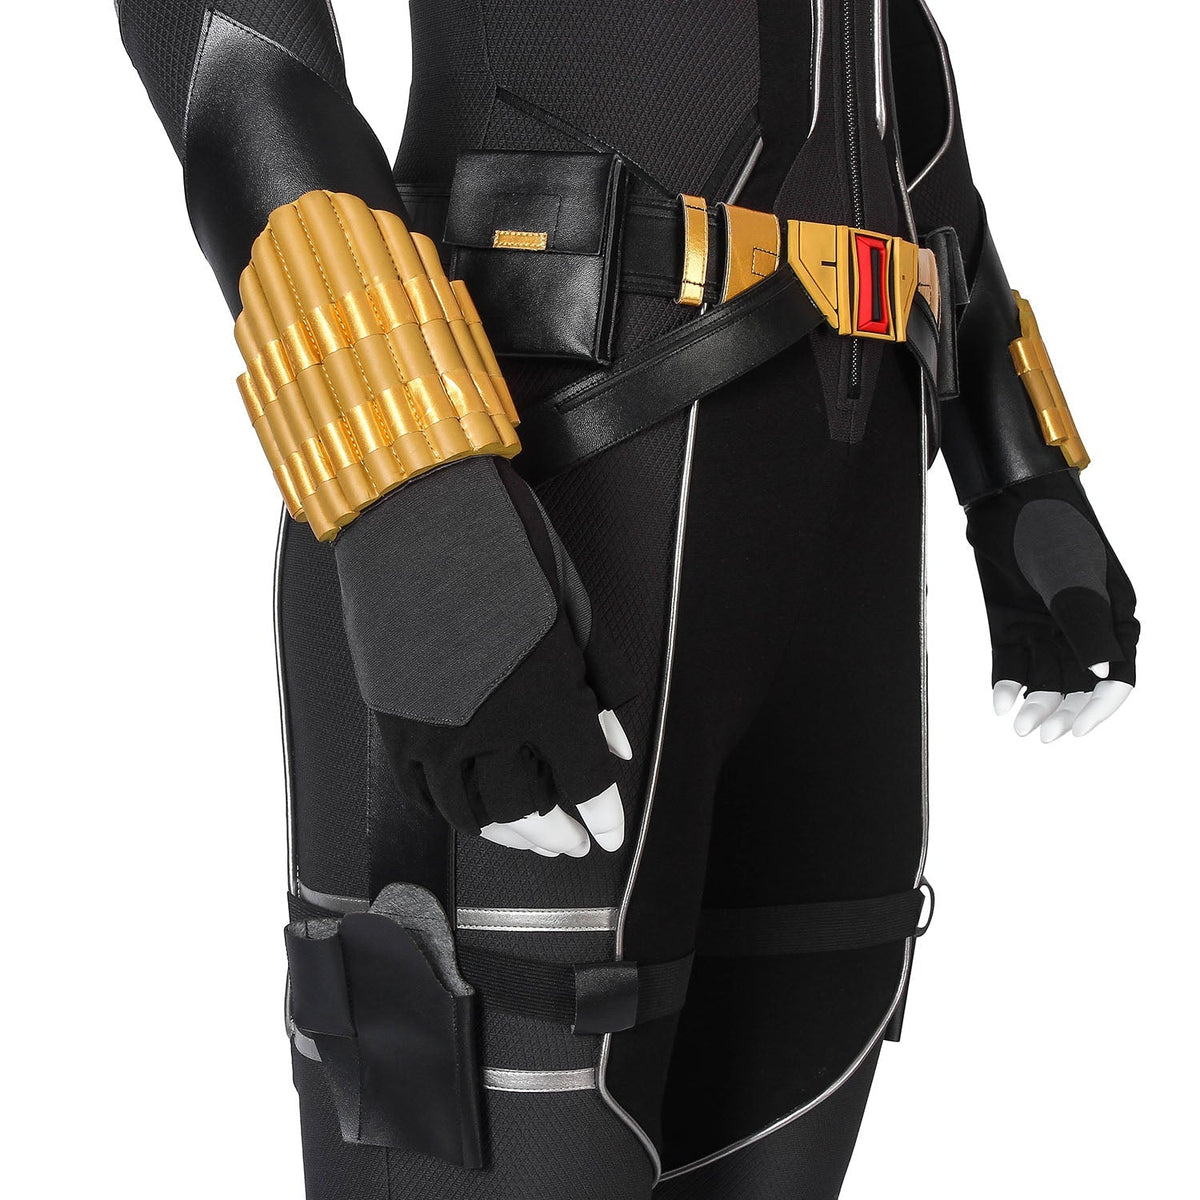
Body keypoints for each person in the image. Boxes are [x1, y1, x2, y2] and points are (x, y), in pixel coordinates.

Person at [116, 2, 1139, 1196]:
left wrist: (1014, 459)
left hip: (839, 545)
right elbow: (222, 36)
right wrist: (417, 517)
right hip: (531, 518)